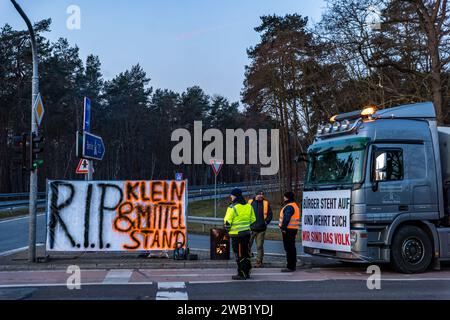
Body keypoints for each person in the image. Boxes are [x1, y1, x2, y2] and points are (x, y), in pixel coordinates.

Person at [224, 188, 256, 280]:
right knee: (246, 254)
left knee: (239, 255)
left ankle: (242, 274)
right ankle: (247, 272)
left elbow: (227, 222)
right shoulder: (248, 206)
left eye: (232, 195)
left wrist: (228, 230)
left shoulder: (232, 207)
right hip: (246, 234)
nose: (231, 196)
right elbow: (253, 219)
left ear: (235, 196)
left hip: (236, 235)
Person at [248, 190, 273, 268]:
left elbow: (270, 214)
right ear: (256, 195)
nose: (261, 196)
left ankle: (259, 262)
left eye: (262, 195)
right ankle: (247, 259)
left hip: (261, 229)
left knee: (259, 246)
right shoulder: (250, 202)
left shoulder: (265, 203)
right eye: (259, 195)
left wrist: (266, 222)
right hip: (251, 228)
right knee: (247, 245)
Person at [279, 191, 301, 272]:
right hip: (293, 229)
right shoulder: (294, 205)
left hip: (288, 230)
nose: (283, 198)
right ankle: (292, 265)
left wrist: (283, 228)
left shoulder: (289, 207)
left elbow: (286, 218)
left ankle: (290, 266)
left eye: (284, 197)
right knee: (292, 248)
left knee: (289, 248)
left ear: (287, 197)